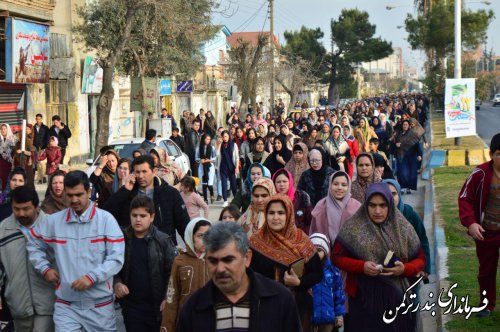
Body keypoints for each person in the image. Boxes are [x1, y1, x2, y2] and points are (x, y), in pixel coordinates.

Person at [27, 170, 125, 331]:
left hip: (100, 307)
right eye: (70, 195)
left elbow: (116, 258)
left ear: (89, 191)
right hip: (66, 306)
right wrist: (44, 269)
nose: (74, 200)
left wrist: (92, 277)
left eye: (79, 194)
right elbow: (33, 241)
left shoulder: (106, 220)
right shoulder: (55, 222)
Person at [176, 221, 302, 332]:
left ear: (247, 258)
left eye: (228, 260)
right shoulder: (194, 308)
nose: (220, 269)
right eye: (213, 261)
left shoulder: (279, 300)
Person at [333, 182, 425, 331]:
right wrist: (361, 266)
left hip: (396, 298)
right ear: (366, 205)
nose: (377, 211)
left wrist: (404, 269)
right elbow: (336, 257)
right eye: (372, 205)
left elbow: (421, 259)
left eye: (383, 205)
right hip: (362, 299)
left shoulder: (402, 227)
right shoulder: (353, 227)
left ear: (390, 205)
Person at [249, 194, 323, 331]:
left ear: (289, 214)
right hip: (264, 308)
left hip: (296, 308)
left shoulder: (302, 240)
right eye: (271, 213)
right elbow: (247, 275)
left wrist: (299, 282)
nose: (275, 217)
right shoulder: (255, 242)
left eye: (281, 213)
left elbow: (318, 273)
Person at [114, 195, 177, 332]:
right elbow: (113, 267)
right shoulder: (121, 240)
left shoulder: (163, 241)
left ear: (152, 217)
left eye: (142, 216)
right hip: (132, 308)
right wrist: (117, 283)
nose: (137, 219)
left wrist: (168, 298)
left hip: (157, 307)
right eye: (134, 215)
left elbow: (172, 273)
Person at [0, 186, 56, 332]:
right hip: (18, 304)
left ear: (37, 207)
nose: (21, 213)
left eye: (26, 209)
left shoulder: (52, 226)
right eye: (16, 209)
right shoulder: (4, 229)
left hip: (48, 302)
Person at [458, 133, 500, 317]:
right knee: (486, 271)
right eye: (499, 154)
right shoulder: (480, 173)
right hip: (487, 232)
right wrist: (471, 223)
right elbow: (465, 199)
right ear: (491, 155)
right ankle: (486, 304)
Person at [103, 155, 189, 243]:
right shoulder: (127, 193)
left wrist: (191, 248)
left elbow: (183, 224)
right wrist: (125, 190)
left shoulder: (169, 193)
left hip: (163, 248)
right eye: (137, 172)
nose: (140, 176)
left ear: (154, 172)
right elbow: (106, 214)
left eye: (144, 171)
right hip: (134, 248)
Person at [161, 218, 211, 332]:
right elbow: (172, 297)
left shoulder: (216, 260)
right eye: (200, 236)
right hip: (186, 321)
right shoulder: (180, 261)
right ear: (191, 237)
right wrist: (167, 327)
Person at [384, 179, 431, 279]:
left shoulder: (410, 215)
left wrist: (425, 267)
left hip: (411, 270)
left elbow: (422, 240)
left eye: (394, 193)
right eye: (386, 193)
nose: (390, 197)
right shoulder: (377, 217)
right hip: (385, 272)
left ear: (399, 195)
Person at [309, 171, 362, 252]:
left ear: (349, 187)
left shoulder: (356, 206)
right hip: (324, 254)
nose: (339, 187)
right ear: (330, 185)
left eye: (344, 185)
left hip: (351, 255)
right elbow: (314, 234)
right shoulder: (321, 205)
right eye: (335, 184)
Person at [309, 233, 345, 332]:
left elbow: (339, 295)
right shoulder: (305, 270)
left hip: (328, 317)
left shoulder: (333, 271)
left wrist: (339, 315)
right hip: (310, 317)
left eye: (319, 251)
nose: (316, 254)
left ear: (325, 252)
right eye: (313, 251)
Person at [273, 168, 313, 234]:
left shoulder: (302, 198)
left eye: (284, 181)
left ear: (290, 182)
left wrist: (300, 234)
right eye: (278, 182)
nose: (282, 184)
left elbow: (310, 222)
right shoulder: (271, 200)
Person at [394, 119, 423, 194]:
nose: (405, 126)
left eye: (406, 125)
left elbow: (416, 145)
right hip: (402, 155)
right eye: (404, 125)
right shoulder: (399, 134)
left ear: (409, 126)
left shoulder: (412, 134)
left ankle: (408, 188)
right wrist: (396, 145)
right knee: (402, 172)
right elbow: (394, 142)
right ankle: (403, 187)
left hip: (412, 155)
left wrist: (419, 154)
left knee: (411, 173)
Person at [218, 130, 239, 207]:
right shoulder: (221, 145)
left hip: (232, 167)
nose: (224, 138)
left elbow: (237, 157)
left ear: (229, 136)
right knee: (223, 184)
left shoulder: (234, 145)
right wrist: (219, 144)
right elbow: (217, 155)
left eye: (226, 136)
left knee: (233, 185)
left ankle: (236, 200)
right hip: (223, 166)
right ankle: (225, 200)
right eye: (223, 136)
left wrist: (237, 167)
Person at [13, 123, 36, 188]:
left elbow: (31, 153)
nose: (17, 137)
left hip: (27, 164)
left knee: (28, 181)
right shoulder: (17, 144)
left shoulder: (28, 142)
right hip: (19, 164)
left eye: (18, 135)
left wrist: (23, 151)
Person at [196, 134, 217, 203]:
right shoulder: (199, 148)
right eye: (207, 139)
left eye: (209, 139)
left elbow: (215, 157)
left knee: (210, 184)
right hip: (202, 167)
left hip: (210, 167)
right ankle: (205, 200)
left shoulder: (212, 148)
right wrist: (200, 160)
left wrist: (209, 160)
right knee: (204, 184)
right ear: (203, 139)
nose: (208, 140)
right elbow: (196, 158)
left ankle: (211, 194)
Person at [0, 124, 18, 191]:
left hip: (10, 162)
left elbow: (15, 151)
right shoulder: (0, 139)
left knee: (8, 179)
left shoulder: (13, 139)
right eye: (2, 129)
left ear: (8, 129)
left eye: (4, 128)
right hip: (1, 162)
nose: (3, 130)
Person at [34, 114, 49, 184]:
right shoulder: (33, 128)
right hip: (36, 148)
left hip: (43, 148)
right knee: (37, 164)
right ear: (35, 119)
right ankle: (40, 179)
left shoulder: (45, 128)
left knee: (42, 163)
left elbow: (47, 138)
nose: (38, 120)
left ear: (41, 119)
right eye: (37, 119)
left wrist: (44, 147)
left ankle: (44, 177)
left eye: (39, 119)